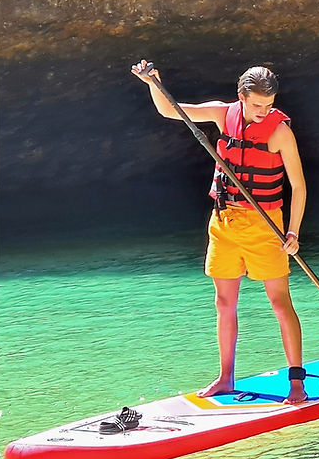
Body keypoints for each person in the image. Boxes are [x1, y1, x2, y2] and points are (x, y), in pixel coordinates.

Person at [130, 60, 309, 403]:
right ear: (241, 97)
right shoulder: (222, 113)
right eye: (257, 105)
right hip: (224, 223)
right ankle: (226, 377)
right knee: (224, 302)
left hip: (265, 226)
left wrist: (293, 233)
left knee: (279, 303)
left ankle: (296, 381)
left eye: (269, 105)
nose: (263, 112)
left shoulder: (280, 132)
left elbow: (298, 187)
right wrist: (154, 82)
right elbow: (170, 110)